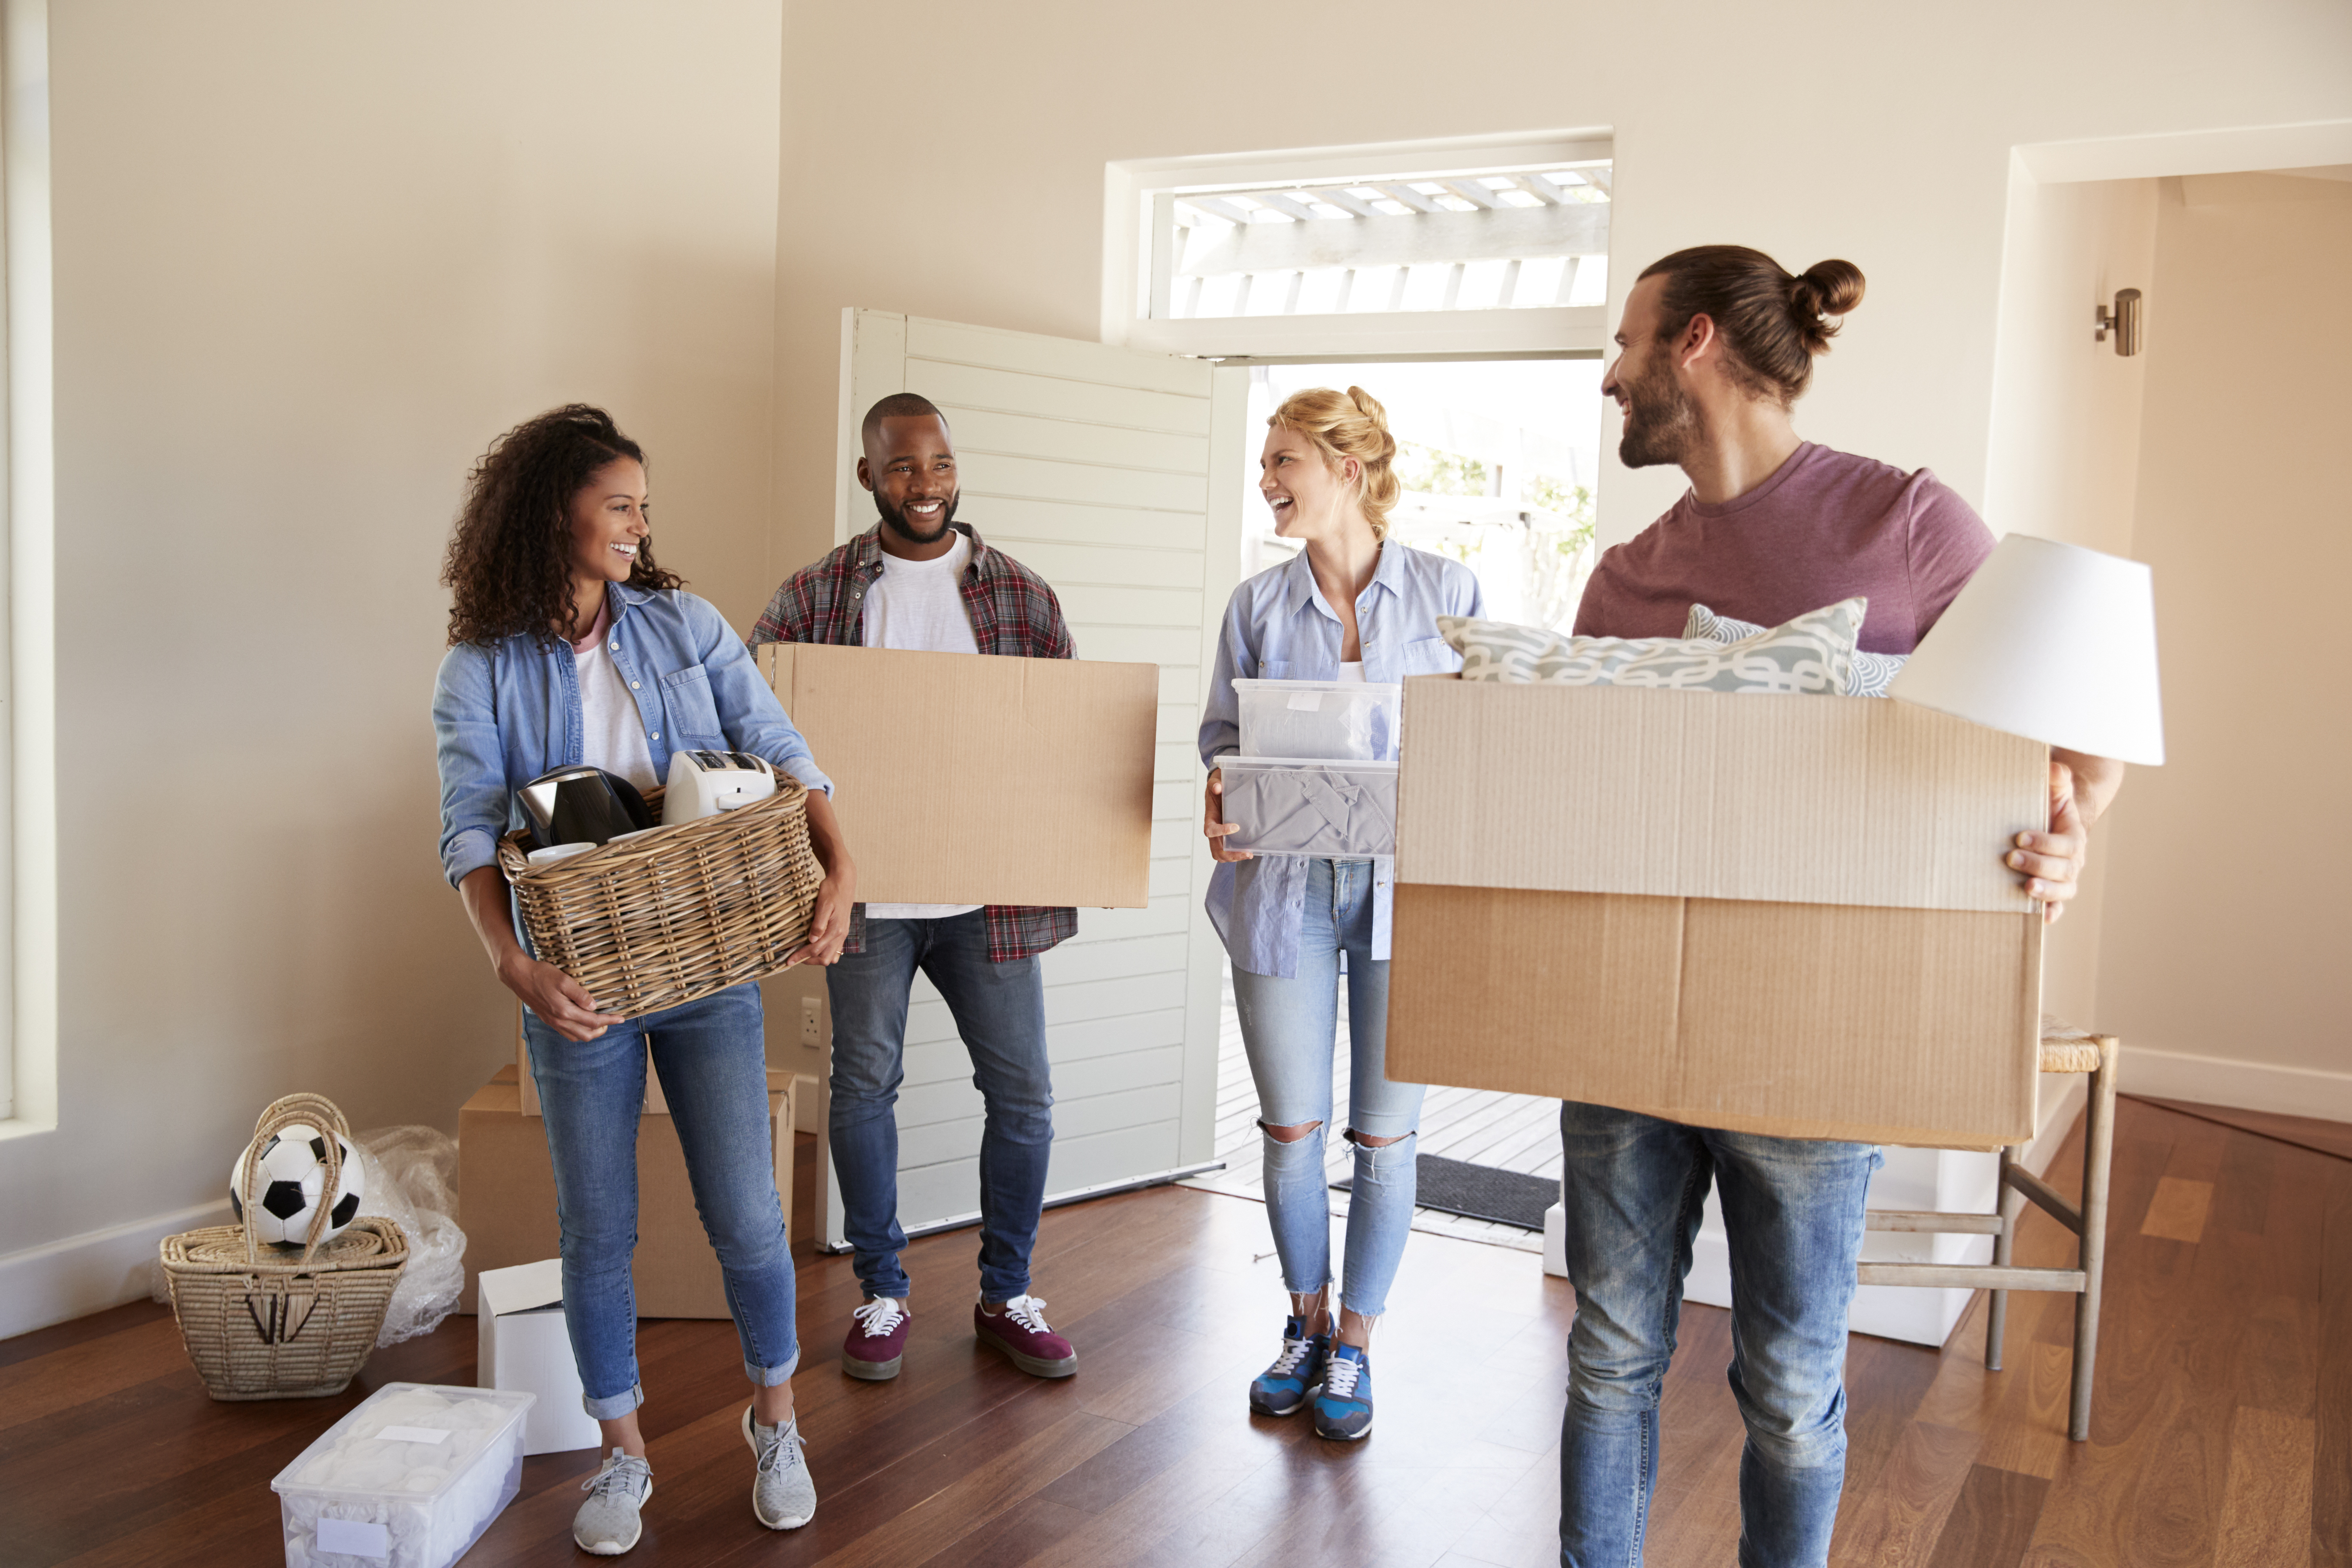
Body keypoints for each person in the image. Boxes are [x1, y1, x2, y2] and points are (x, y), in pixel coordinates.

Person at [1558, 247, 2125, 1567]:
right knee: (1608, 1357)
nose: (1609, 374)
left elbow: (2070, 745)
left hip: (1819, 1041)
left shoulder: (1910, 526)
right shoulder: (1623, 577)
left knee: (1792, 1389)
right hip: (1623, 1027)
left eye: (1627, 342)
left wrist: (2068, 837)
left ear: (1692, 344)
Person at [432, 405, 857, 1555]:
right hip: (575, 980)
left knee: (747, 1214)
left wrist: (840, 867)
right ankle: (622, 1455)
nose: (638, 525)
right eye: (618, 505)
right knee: (597, 1226)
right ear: (550, 512)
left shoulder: (686, 626)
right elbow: (473, 833)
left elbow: (781, 751)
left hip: (707, 958)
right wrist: (516, 967)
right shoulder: (480, 666)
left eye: (642, 508)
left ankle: (776, 1421)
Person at [750, 392, 1081, 1387]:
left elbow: (1066, 737)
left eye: (938, 464)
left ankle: (1006, 1293)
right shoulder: (814, 599)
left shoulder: (1020, 598)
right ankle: (882, 1291)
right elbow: (756, 731)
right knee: (862, 1088)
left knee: (1022, 1095)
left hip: (990, 899)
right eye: (902, 468)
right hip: (868, 900)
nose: (925, 486)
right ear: (868, 477)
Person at [1197, 386, 1485, 1441]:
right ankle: (1305, 1325)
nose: (1267, 481)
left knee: (1386, 1136)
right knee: (1289, 1130)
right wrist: (1225, 800)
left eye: (1284, 461)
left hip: (1408, 893)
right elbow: (1219, 740)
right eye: (1266, 463)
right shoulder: (1258, 607)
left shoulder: (1451, 593)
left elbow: (1487, 745)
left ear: (1348, 471)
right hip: (1284, 887)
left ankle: (1357, 1346)